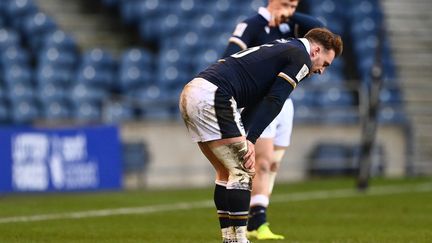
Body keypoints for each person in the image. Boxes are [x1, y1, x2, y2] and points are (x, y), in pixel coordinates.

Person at [179, 28, 343, 243]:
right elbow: (275, 100)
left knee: (225, 172)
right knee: (243, 169)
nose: (322, 71)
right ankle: (238, 240)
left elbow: (259, 100)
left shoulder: (286, 47)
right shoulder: (301, 57)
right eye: (325, 64)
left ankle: (230, 238)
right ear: (316, 50)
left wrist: (246, 135)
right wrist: (251, 139)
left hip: (193, 92)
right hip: (215, 95)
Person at [222, 0, 324, 240]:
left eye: (294, 4)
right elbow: (229, 56)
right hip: (263, 101)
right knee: (262, 162)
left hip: (284, 99)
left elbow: (321, 29)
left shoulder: (291, 27)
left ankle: (256, 217)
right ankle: (258, 220)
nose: (290, 8)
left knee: (273, 164)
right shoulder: (252, 24)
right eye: (286, 3)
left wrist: (290, 16)